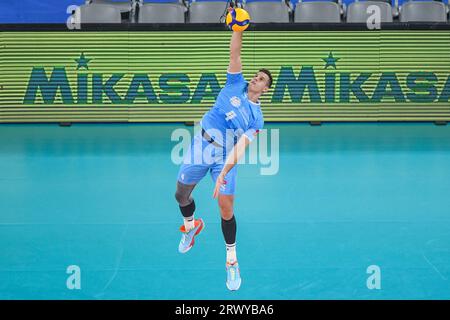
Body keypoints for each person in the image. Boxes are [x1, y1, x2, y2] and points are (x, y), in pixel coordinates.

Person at [174, 8, 273, 291]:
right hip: (201, 144)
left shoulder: (257, 118)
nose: (256, 79)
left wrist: (224, 172)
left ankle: (232, 260)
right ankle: (191, 227)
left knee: (226, 209)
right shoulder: (234, 83)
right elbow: (235, 55)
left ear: (266, 90)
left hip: (224, 157)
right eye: (256, 76)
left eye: (262, 80)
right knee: (181, 195)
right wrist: (237, 30)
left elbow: (241, 147)